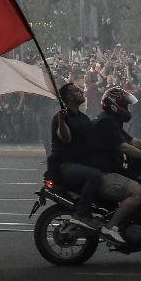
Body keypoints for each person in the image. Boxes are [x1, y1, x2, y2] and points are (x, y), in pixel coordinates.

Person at [90, 87, 141, 245]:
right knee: (139, 192)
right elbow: (124, 147)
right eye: (125, 105)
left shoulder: (112, 121)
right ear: (114, 105)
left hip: (112, 169)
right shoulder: (105, 122)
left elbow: (132, 141)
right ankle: (110, 228)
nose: (127, 109)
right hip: (102, 173)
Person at [48, 82, 103, 230]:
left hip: (80, 164)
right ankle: (81, 214)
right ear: (69, 97)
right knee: (94, 176)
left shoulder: (83, 118)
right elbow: (65, 138)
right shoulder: (61, 117)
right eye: (76, 90)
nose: (80, 91)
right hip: (64, 166)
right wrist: (61, 120)